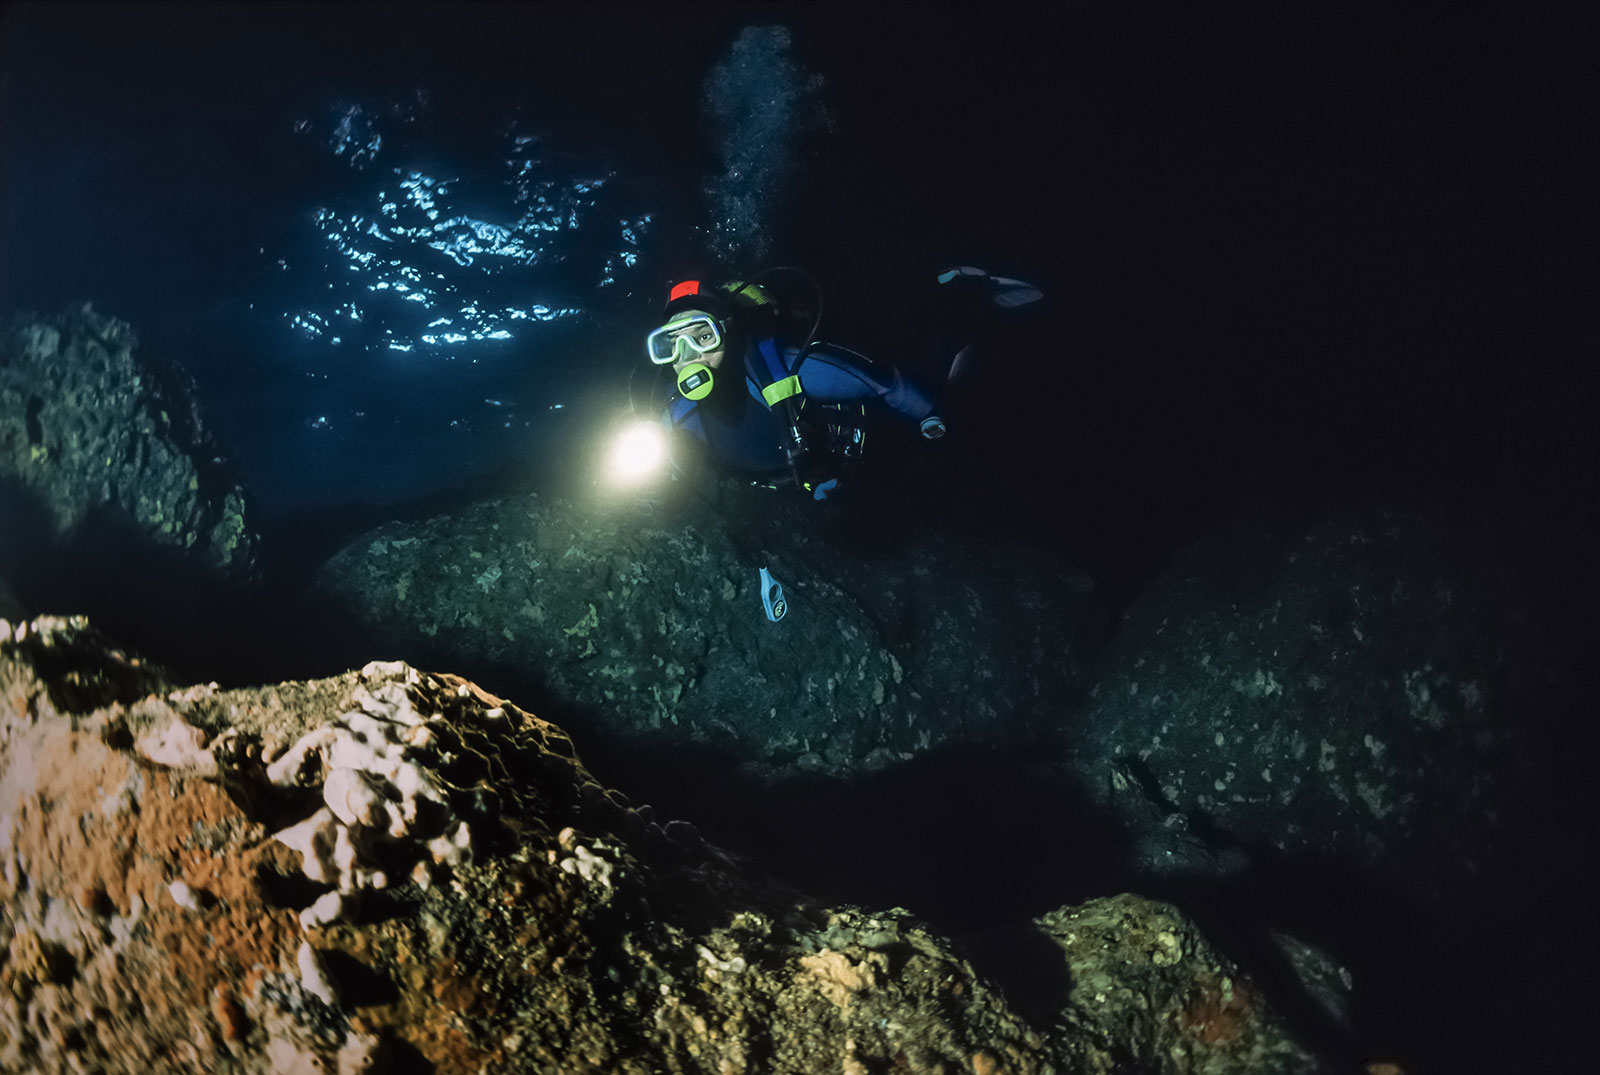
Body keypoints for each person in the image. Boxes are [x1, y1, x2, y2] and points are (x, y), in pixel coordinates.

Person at [646, 267, 1040, 501]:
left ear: (729, 336)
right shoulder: (677, 411)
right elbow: (662, 456)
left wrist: (929, 413)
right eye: (670, 344)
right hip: (806, 479)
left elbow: (883, 382)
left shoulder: (792, 371)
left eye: (703, 337)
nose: (688, 356)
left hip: (869, 442)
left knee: (941, 374)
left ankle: (969, 298)